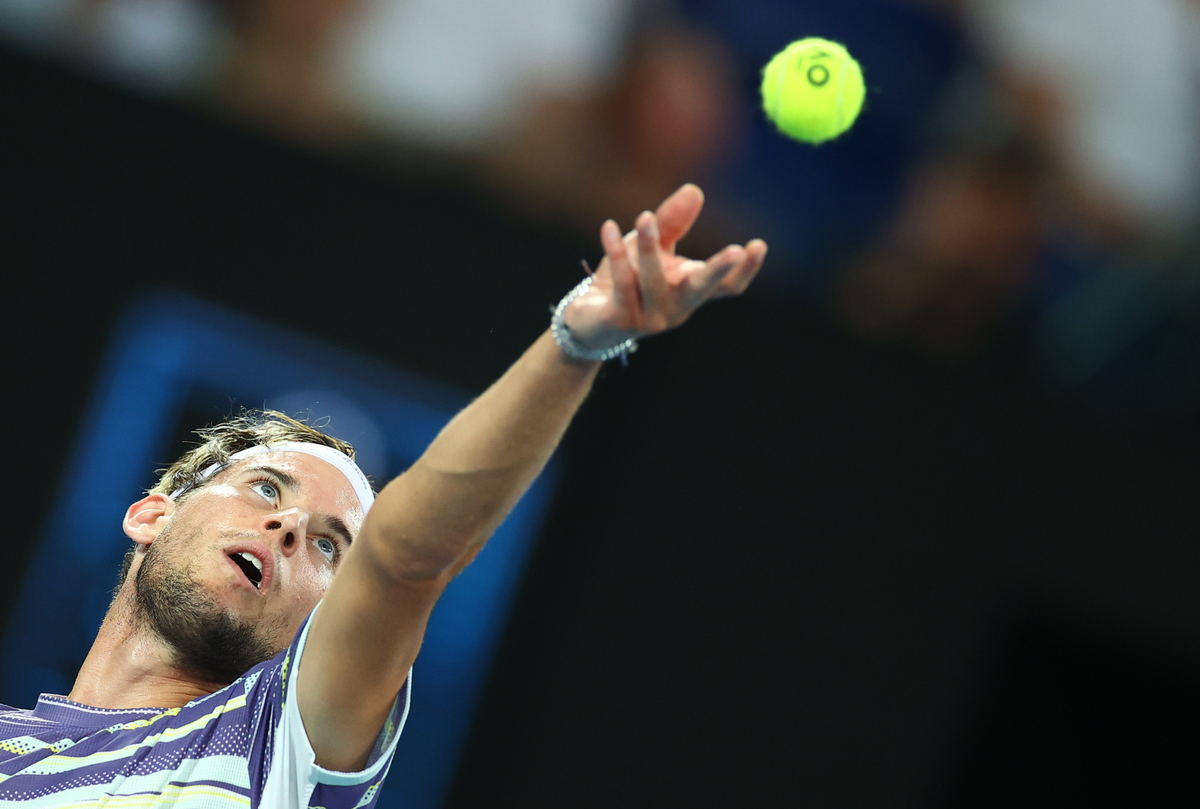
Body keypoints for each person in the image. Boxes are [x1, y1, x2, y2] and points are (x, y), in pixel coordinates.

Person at [0, 183, 766, 808]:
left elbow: (405, 556)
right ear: (152, 512)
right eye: (264, 486)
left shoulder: (279, 745)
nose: (289, 523)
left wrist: (576, 344)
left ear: (325, 623)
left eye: (330, 545)